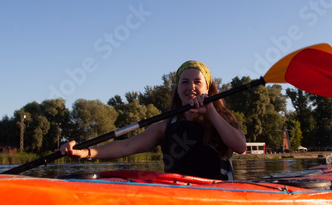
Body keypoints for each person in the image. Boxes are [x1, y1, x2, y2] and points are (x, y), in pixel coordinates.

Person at [59, 60, 247, 181]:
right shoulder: (165, 126)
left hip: (217, 193)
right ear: (178, 89)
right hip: (177, 192)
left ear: (207, 89)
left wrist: (211, 112)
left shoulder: (221, 118)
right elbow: (126, 146)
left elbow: (240, 146)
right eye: (184, 82)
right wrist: (85, 152)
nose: (191, 86)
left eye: (197, 82)